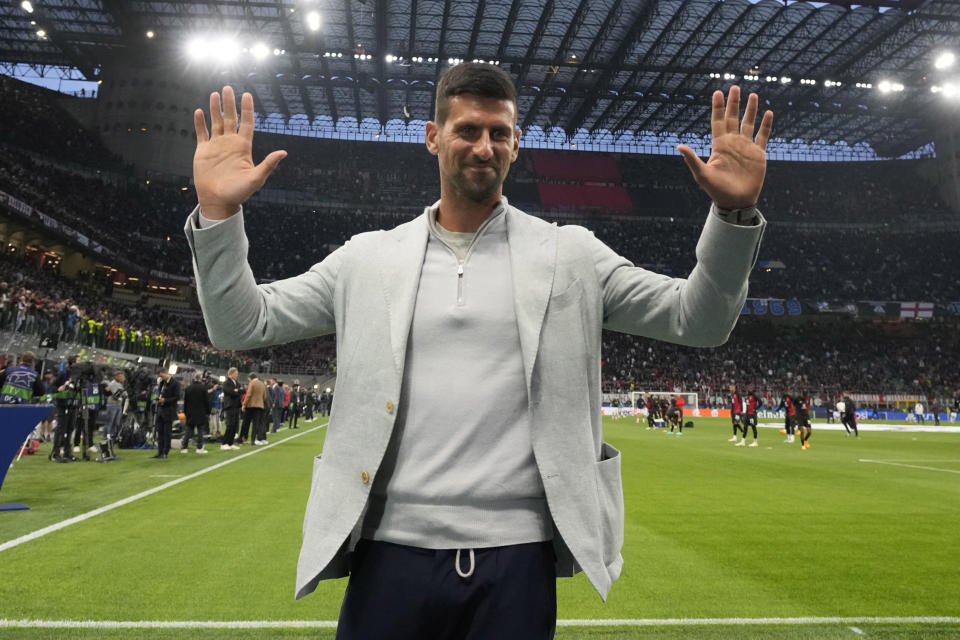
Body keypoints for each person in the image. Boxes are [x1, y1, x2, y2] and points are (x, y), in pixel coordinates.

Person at [185, 64, 772, 638]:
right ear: (433, 137)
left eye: (500, 133)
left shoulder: (571, 255)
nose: (484, 146)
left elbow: (698, 319)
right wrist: (218, 212)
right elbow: (243, 324)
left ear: (517, 145)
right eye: (467, 129)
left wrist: (732, 215)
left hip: (518, 556)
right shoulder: (366, 258)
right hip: (389, 551)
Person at [152, 369, 180, 459]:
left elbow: (176, 397)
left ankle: (165, 452)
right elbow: (160, 393)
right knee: (160, 432)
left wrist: (165, 400)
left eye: (162, 375)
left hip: (169, 410)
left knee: (167, 433)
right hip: (161, 410)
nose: (161, 377)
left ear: (166, 373)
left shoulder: (175, 383)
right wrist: (159, 399)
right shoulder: (162, 383)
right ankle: (159, 452)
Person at [182, 373, 211, 454]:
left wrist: (185, 412)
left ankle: (184, 447)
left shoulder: (188, 388)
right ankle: (199, 448)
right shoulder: (203, 388)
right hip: (200, 412)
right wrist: (208, 412)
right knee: (200, 430)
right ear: (200, 378)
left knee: (188, 430)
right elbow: (206, 401)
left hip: (190, 412)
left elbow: (185, 402)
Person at [240, 372, 267, 445]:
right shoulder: (262, 384)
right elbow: (265, 396)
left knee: (246, 423)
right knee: (256, 424)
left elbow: (248, 395)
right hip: (259, 406)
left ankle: (243, 438)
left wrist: (244, 404)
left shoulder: (252, 383)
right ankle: (253, 440)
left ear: (250, 378)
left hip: (250, 406)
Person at [102, 369, 126, 445]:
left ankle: (112, 436)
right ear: (116, 377)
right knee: (110, 421)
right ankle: (106, 436)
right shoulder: (112, 384)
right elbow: (116, 396)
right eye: (120, 376)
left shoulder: (120, 384)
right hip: (112, 405)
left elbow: (124, 395)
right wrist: (121, 394)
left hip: (119, 405)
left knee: (116, 422)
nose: (122, 378)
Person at [220, 367, 242, 450]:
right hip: (230, 406)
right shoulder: (226, 382)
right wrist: (236, 391)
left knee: (235, 425)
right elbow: (230, 392)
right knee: (230, 425)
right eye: (235, 374)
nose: (237, 375)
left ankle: (230, 443)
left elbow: (241, 391)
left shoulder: (237, 382)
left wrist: (237, 391)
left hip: (236, 406)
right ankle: (224, 443)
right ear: (230, 374)